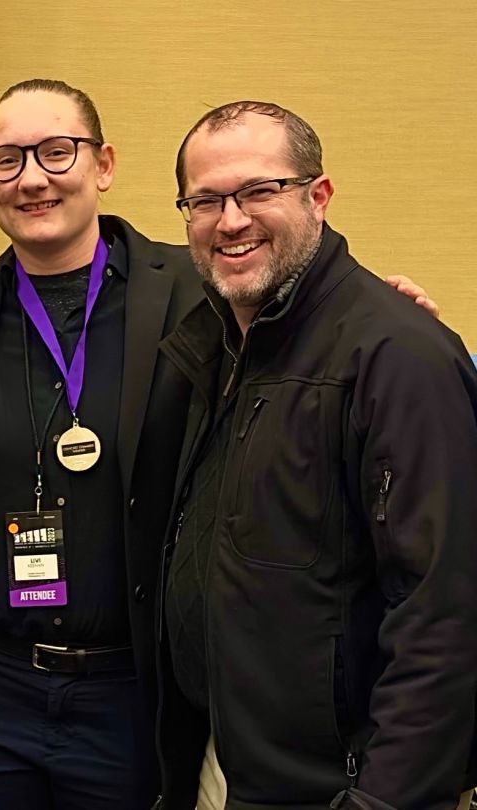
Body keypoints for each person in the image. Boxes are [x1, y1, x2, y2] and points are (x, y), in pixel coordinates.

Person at [0, 79, 440, 809]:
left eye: (58, 151)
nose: (34, 177)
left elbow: (305, 306)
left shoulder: (196, 285)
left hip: (129, 692)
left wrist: (396, 316)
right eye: (7, 159)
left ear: (104, 165)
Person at [158, 100, 477, 810]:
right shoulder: (213, 345)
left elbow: (442, 613)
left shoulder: (397, 358)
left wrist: (384, 799)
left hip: (342, 789)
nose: (231, 219)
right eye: (205, 200)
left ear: (319, 196)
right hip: (224, 765)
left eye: (259, 191)